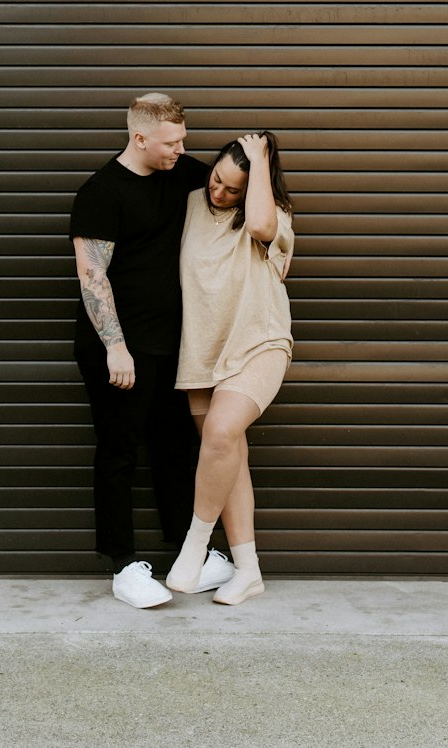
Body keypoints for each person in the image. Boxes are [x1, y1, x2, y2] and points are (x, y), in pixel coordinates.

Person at [70, 92, 235, 608]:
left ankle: (192, 555)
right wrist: (116, 349)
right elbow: (92, 276)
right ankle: (122, 565)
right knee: (119, 450)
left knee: (174, 449)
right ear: (139, 138)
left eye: (182, 140)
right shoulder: (101, 193)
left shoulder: (182, 173)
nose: (181, 150)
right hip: (121, 348)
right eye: (171, 142)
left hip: (175, 344)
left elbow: (237, 194)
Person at [166, 130, 294, 605]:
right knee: (228, 455)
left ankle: (194, 547)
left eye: (232, 190)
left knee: (220, 434)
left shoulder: (273, 217)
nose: (219, 193)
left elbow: (260, 226)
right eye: (216, 180)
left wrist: (260, 161)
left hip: (257, 340)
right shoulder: (192, 204)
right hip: (203, 350)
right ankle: (248, 571)